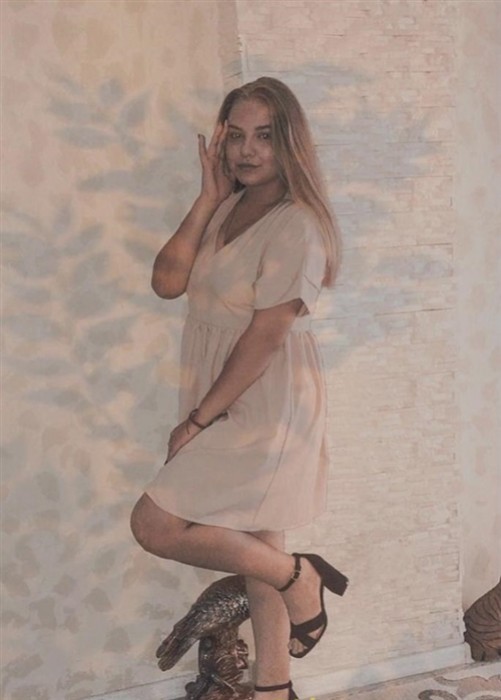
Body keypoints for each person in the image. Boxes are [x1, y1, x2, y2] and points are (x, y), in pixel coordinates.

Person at [130, 76, 348, 698]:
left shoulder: (297, 224)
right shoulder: (227, 206)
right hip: (222, 384)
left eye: (265, 136)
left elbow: (266, 336)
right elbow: (166, 283)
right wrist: (206, 199)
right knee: (258, 540)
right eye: (236, 136)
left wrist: (199, 420)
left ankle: (299, 578)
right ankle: (274, 687)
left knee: (154, 524)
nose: (248, 150)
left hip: (267, 396)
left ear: (290, 143)